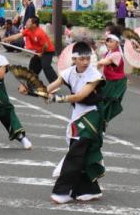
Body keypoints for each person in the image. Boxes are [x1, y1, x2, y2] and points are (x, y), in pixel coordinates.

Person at [45, 42, 107, 204]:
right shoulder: (68, 73)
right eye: (81, 59)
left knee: (76, 151)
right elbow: (51, 87)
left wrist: (59, 98)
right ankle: (90, 189)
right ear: (74, 59)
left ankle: (62, 191)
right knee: (82, 154)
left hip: (92, 115)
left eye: (88, 58)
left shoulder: (95, 75)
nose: (85, 62)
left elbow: (80, 96)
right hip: (77, 115)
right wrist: (36, 90)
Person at [3, 15, 57, 85]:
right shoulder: (28, 30)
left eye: (28, 21)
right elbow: (16, 36)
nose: (26, 23)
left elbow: (46, 46)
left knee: (45, 65)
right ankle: (32, 81)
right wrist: (5, 39)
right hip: (39, 52)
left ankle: (55, 83)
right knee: (33, 65)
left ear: (34, 24)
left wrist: (42, 53)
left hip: (47, 51)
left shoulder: (40, 33)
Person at [95, 33, 127, 125]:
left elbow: (105, 62)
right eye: (107, 41)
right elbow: (101, 65)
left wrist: (95, 64)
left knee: (109, 102)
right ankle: (103, 122)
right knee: (103, 101)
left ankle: (103, 122)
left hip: (117, 83)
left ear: (117, 43)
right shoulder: (108, 53)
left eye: (111, 42)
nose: (108, 43)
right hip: (108, 81)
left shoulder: (116, 54)